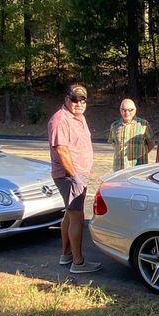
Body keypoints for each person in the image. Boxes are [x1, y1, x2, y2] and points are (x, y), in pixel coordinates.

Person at [48, 84, 101, 274]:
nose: (79, 103)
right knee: (78, 216)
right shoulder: (60, 120)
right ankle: (78, 263)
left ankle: (66, 255)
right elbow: (61, 149)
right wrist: (75, 175)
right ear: (66, 99)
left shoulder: (79, 117)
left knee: (69, 215)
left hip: (77, 175)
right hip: (69, 176)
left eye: (82, 100)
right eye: (74, 99)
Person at [109, 98, 154, 171]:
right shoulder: (114, 125)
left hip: (137, 169)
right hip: (119, 170)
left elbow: (151, 143)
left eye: (130, 110)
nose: (127, 113)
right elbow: (113, 143)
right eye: (124, 110)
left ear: (135, 110)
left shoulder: (143, 125)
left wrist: (140, 153)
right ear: (120, 110)